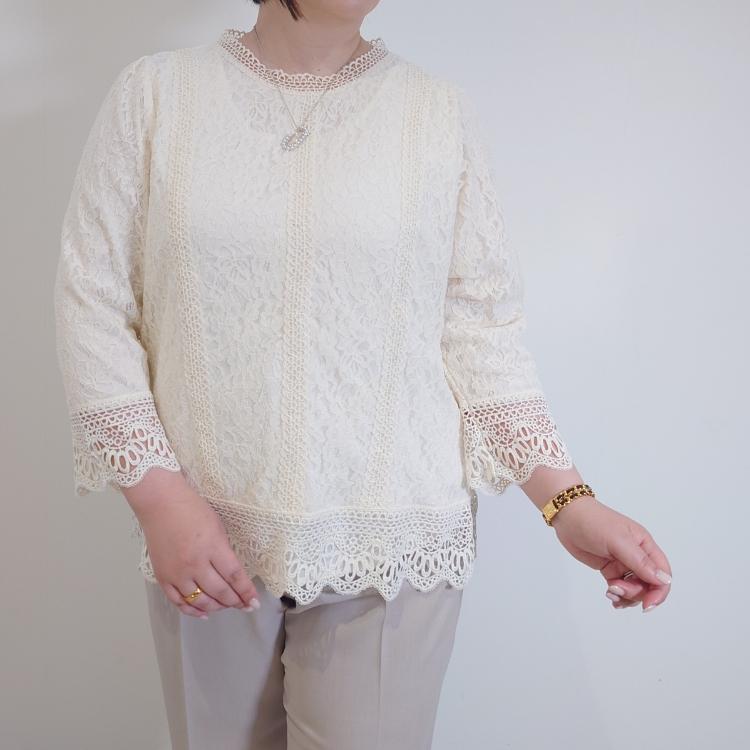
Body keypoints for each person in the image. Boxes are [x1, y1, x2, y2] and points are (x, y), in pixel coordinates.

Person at [52, 1, 673, 748]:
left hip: (396, 552)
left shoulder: (437, 115)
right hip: (204, 540)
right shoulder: (156, 97)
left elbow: (481, 335)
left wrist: (569, 502)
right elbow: (91, 301)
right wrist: (158, 500)